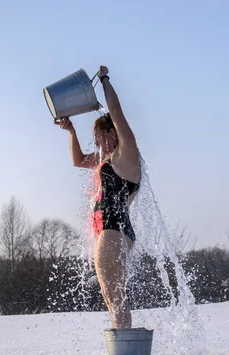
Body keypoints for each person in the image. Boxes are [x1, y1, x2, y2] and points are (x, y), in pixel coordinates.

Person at [54, 65, 141, 330]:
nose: (99, 143)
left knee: (112, 293)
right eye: (96, 138)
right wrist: (71, 132)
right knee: (114, 293)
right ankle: (122, 341)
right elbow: (78, 161)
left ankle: (123, 344)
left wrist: (104, 80)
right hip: (119, 231)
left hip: (113, 230)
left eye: (102, 136)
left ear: (114, 133)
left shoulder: (126, 153)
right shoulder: (106, 160)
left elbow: (117, 113)